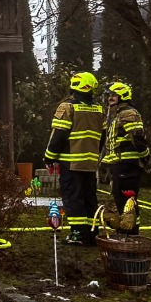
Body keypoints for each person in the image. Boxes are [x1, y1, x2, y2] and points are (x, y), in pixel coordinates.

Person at [44, 71, 104, 246]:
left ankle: (78, 233)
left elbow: (59, 135)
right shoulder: (99, 109)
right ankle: (92, 233)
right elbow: (103, 137)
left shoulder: (68, 107)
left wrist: (49, 157)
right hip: (90, 162)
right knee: (89, 197)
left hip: (71, 161)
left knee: (73, 197)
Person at [100, 82, 150, 234]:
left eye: (114, 95)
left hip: (128, 165)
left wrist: (145, 157)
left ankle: (131, 232)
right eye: (109, 95)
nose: (110, 98)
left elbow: (138, 138)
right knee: (119, 198)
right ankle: (126, 231)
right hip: (118, 164)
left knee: (127, 201)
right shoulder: (114, 115)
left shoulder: (128, 113)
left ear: (123, 96)